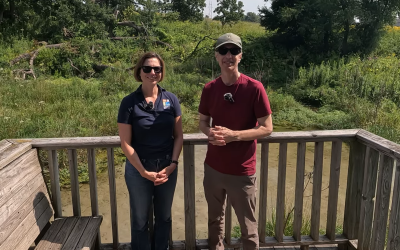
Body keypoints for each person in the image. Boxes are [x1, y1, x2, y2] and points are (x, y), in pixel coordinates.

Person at [198, 33, 273, 250]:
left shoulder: (254, 88)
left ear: (240, 56)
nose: (228, 56)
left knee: (248, 228)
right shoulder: (209, 89)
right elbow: (203, 122)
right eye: (223, 51)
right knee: (215, 222)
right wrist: (209, 132)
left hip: (242, 171)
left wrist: (235, 135)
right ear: (216, 56)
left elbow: (267, 128)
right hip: (213, 168)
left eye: (233, 51)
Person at [117, 52, 183, 250]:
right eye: (147, 68)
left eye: (157, 69)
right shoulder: (129, 102)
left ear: (161, 73)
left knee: (164, 216)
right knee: (139, 219)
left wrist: (173, 164)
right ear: (140, 71)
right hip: (139, 168)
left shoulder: (171, 99)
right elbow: (125, 143)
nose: (152, 72)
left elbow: (178, 136)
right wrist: (142, 171)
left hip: (166, 167)